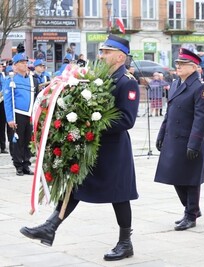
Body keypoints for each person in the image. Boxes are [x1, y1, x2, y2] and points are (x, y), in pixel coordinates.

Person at [20, 34, 140, 262]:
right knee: (75, 186)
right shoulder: (101, 78)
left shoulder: (127, 82)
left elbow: (127, 120)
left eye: (106, 52)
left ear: (120, 56)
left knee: (120, 195)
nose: (101, 55)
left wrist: (90, 123)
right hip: (92, 147)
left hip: (114, 151)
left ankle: (125, 242)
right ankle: (50, 226)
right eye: (102, 51)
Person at [154, 48, 204, 231]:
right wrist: (161, 134)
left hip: (189, 139)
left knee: (190, 179)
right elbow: (169, 113)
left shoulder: (200, 87)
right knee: (174, 176)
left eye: (182, 64)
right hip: (173, 138)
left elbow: (201, 118)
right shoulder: (176, 83)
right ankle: (192, 208)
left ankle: (191, 214)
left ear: (193, 67)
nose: (177, 66)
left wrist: (194, 143)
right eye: (177, 63)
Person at [3, 44, 39, 175]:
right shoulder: (10, 79)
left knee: (28, 140)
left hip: (29, 114)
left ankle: (26, 164)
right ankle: (18, 165)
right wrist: (10, 119)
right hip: (17, 114)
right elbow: (7, 101)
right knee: (17, 141)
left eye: (26, 62)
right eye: (22, 63)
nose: (25, 65)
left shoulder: (32, 80)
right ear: (16, 65)